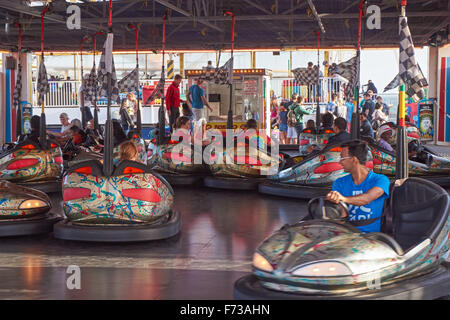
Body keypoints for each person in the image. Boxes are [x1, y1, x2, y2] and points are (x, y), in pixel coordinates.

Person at [326, 139, 390, 233]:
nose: (340, 162)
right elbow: (341, 217)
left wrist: (343, 199)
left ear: (354, 159)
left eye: (342, 158)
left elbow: (367, 198)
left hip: (372, 239)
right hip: (348, 235)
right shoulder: (339, 183)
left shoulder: (380, 180)